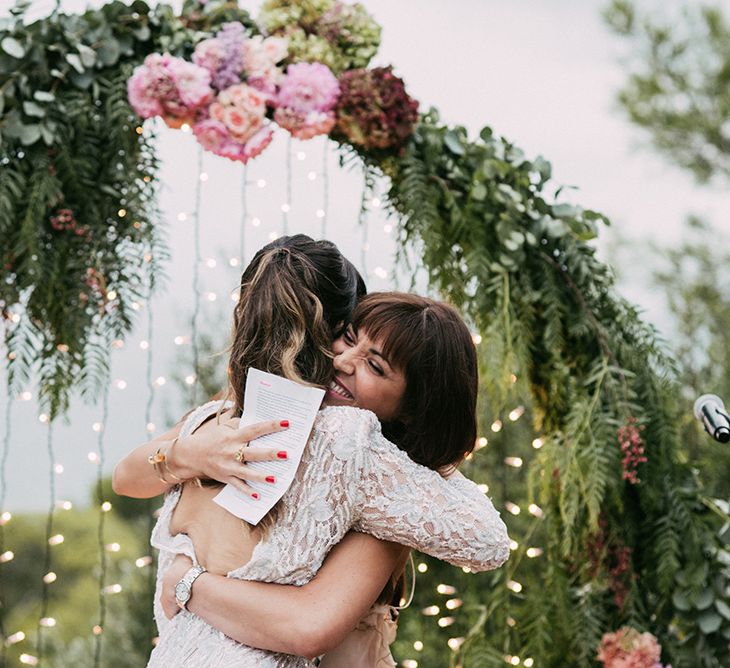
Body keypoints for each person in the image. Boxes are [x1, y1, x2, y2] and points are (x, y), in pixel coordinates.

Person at [113, 236, 509, 667]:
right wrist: (190, 456)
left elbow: (307, 627)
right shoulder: (246, 416)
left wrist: (188, 583)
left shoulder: (368, 467)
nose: (343, 361)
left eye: (375, 366)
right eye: (346, 338)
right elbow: (126, 477)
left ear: (415, 409)